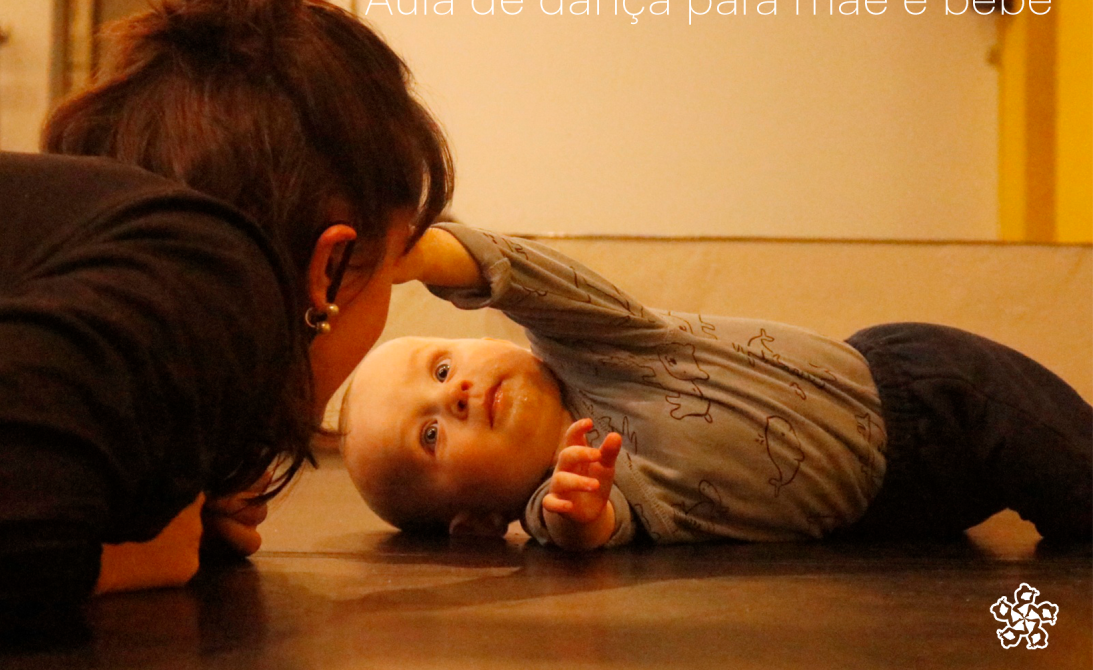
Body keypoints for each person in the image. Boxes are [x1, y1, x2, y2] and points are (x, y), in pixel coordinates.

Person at [0, 0, 450, 644]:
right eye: (388, 273)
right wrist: (118, 557)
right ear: (329, 267)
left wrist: (148, 493)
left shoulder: (116, 248)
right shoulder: (218, 272)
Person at [339, 224, 1092, 551]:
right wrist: (577, 522)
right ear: (472, 523)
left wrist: (421, 254)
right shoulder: (574, 499)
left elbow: (531, 278)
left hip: (923, 392)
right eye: (431, 434)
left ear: (483, 337)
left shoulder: (594, 341)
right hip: (889, 512)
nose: (456, 396)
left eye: (441, 370)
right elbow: (583, 532)